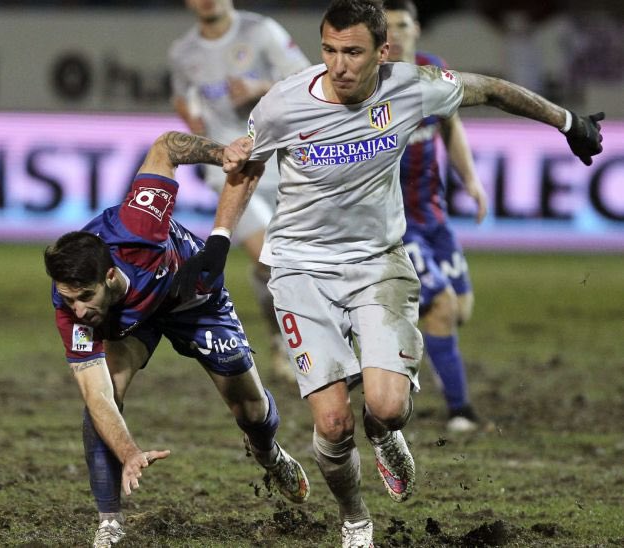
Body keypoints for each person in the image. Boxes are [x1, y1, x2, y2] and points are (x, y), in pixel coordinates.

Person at [169, 1, 604, 546]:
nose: (339, 65)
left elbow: (492, 88)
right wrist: (219, 239)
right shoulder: (284, 102)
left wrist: (568, 122)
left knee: (387, 407)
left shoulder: (412, 86)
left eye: (353, 52)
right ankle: (355, 520)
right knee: (331, 425)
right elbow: (246, 168)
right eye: (329, 50)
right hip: (302, 271)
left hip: (378, 265)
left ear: (384, 52)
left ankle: (385, 433)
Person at [44, 131, 310, 547]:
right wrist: (130, 452)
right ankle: (109, 522)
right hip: (131, 322)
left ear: (110, 276)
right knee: (105, 398)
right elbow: (96, 398)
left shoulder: (140, 225)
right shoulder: (72, 307)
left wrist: (222, 154)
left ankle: (270, 453)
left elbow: (166, 147)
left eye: (84, 297)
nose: (77, 311)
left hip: (192, 299)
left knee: (251, 410)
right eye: (68, 299)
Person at [168, 0, 311, 380]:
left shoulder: (261, 30)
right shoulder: (184, 52)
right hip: (231, 171)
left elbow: (308, 79)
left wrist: (260, 87)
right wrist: (198, 129)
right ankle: (291, 347)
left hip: (286, 163)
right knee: (269, 258)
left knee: (295, 263)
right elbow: (181, 95)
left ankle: (288, 338)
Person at [384, 0, 489, 432]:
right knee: (442, 309)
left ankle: (385, 343)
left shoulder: (433, 70)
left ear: (417, 29)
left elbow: (451, 126)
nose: (393, 34)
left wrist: (471, 180)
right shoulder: (368, 84)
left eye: (401, 25)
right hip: (395, 225)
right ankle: (460, 410)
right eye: (384, 26)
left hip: (435, 216)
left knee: (460, 309)